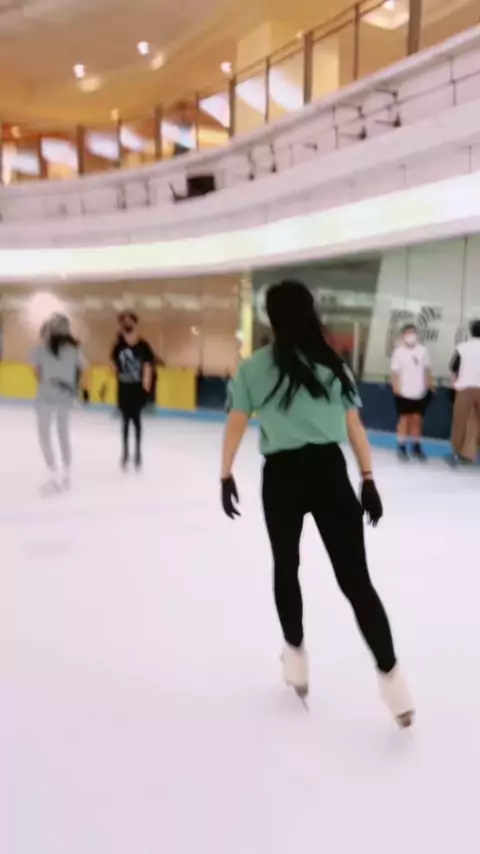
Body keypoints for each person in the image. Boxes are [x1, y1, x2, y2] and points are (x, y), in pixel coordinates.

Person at [220, 280, 414, 729]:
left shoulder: (253, 368)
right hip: (329, 474)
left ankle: (296, 662)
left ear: (271, 318)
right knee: (357, 582)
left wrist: (225, 473)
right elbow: (354, 427)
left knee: (286, 567)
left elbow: (236, 423)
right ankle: (395, 685)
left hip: (282, 478)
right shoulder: (334, 365)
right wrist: (367, 479)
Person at [31, 313, 87, 492]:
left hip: (47, 395)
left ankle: (53, 471)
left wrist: (47, 381)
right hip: (65, 395)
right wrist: (79, 390)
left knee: (44, 434)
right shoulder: (74, 350)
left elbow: (36, 372)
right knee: (62, 433)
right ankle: (65, 471)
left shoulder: (40, 349)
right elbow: (83, 370)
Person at [110, 312, 155, 470]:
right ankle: (125, 453)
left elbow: (148, 366)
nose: (127, 324)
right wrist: (116, 374)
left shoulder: (143, 345)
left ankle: (137, 453)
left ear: (135, 324)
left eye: (130, 321)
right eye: (124, 322)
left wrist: (146, 386)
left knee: (136, 421)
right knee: (125, 421)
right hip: (123, 388)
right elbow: (113, 364)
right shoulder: (118, 345)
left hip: (137, 388)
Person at [391, 323, 432, 461]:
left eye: (413, 332)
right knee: (404, 419)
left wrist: (428, 384)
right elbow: (395, 372)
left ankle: (416, 446)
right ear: (403, 335)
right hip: (403, 391)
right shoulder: (398, 352)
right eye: (408, 332)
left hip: (419, 392)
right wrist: (396, 387)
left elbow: (426, 369)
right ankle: (401, 446)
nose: (411, 335)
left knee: (417, 419)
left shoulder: (423, 350)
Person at [449, 319, 480, 465]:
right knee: (476, 423)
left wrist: (455, 384)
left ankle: (456, 453)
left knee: (460, 422)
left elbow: (454, 369)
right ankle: (470, 454)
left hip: (464, 389)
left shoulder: (462, 348)